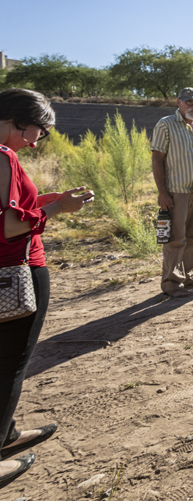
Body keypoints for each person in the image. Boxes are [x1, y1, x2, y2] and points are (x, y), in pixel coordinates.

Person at [0, 89, 93, 489]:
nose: (38, 141)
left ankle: (7, 434)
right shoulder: (3, 156)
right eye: (39, 130)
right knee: (11, 365)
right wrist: (55, 211)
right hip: (15, 270)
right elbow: (9, 226)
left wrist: (50, 201)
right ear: (18, 119)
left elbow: (17, 208)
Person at [151, 87, 193, 297]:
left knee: (192, 237)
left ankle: (188, 275)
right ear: (178, 102)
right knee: (175, 238)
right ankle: (171, 283)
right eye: (190, 102)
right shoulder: (166, 125)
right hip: (175, 192)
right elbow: (157, 159)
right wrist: (162, 193)